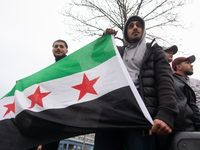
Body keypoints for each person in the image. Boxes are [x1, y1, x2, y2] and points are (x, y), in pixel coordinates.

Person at [94, 16, 178, 150]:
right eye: (131, 25)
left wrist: (166, 114)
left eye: (139, 25)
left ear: (143, 30)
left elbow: (165, 83)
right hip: (111, 116)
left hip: (141, 117)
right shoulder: (116, 52)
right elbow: (95, 59)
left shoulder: (155, 52)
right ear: (125, 32)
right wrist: (104, 40)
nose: (135, 27)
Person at [27, 39, 68, 150]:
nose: (58, 48)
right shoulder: (50, 70)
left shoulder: (71, 64)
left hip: (59, 113)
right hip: (46, 110)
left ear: (66, 50)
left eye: (61, 46)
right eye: (56, 46)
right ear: (52, 50)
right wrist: (25, 86)